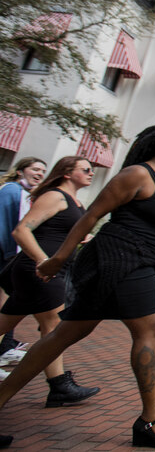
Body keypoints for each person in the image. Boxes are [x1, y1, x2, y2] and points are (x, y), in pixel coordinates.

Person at [0, 122, 155, 449]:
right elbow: (90, 217)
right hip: (119, 258)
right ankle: (152, 420)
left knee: (65, 333)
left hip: (141, 259)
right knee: (150, 327)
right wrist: (57, 259)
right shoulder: (136, 174)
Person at [1, 156, 100, 407]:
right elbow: (21, 230)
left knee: (18, 323)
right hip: (40, 270)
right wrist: (43, 261)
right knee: (55, 328)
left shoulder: (75, 201)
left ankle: (59, 387)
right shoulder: (55, 196)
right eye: (85, 169)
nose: (91, 173)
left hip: (53, 270)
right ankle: (59, 386)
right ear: (67, 172)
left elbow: (61, 231)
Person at [0, 157, 47, 373]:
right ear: (20, 171)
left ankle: (6, 346)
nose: (39, 173)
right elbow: (8, 226)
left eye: (43, 171)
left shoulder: (26, 195)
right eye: (35, 169)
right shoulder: (12, 191)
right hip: (5, 255)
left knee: (9, 304)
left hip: (11, 255)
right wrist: (12, 255)